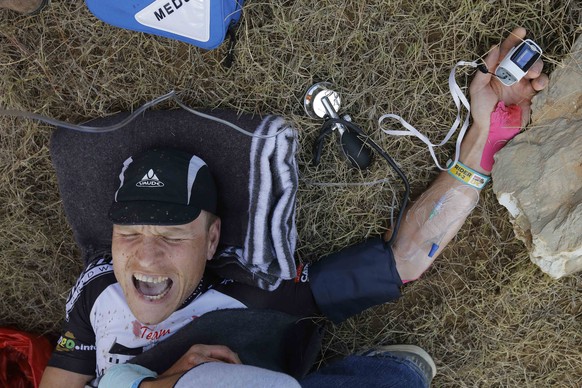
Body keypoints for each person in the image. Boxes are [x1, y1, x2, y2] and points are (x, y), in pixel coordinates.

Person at [39, 27, 547, 387]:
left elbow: (404, 259)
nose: (145, 260)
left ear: (213, 239)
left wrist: (484, 135)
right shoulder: (97, 287)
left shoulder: (261, 292)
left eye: (173, 236)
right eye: (129, 234)